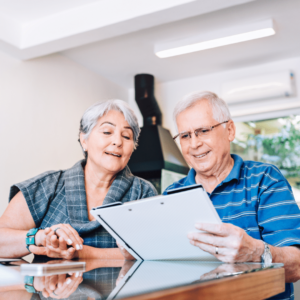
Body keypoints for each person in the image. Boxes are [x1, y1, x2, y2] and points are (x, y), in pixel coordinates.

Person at [162, 91, 300, 300]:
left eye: (203, 131)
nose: (194, 144)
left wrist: (257, 253)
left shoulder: (265, 179)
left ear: (230, 130)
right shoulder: (171, 194)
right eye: (185, 135)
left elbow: (296, 266)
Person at [0, 99, 157, 260]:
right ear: (84, 140)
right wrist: (40, 237)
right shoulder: (48, 185)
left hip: (122, 285)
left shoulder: (143, 192)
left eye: (126, 136)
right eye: (107, 132)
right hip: (51, 285)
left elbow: (155, 251)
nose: (118, 142)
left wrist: (88, 254)